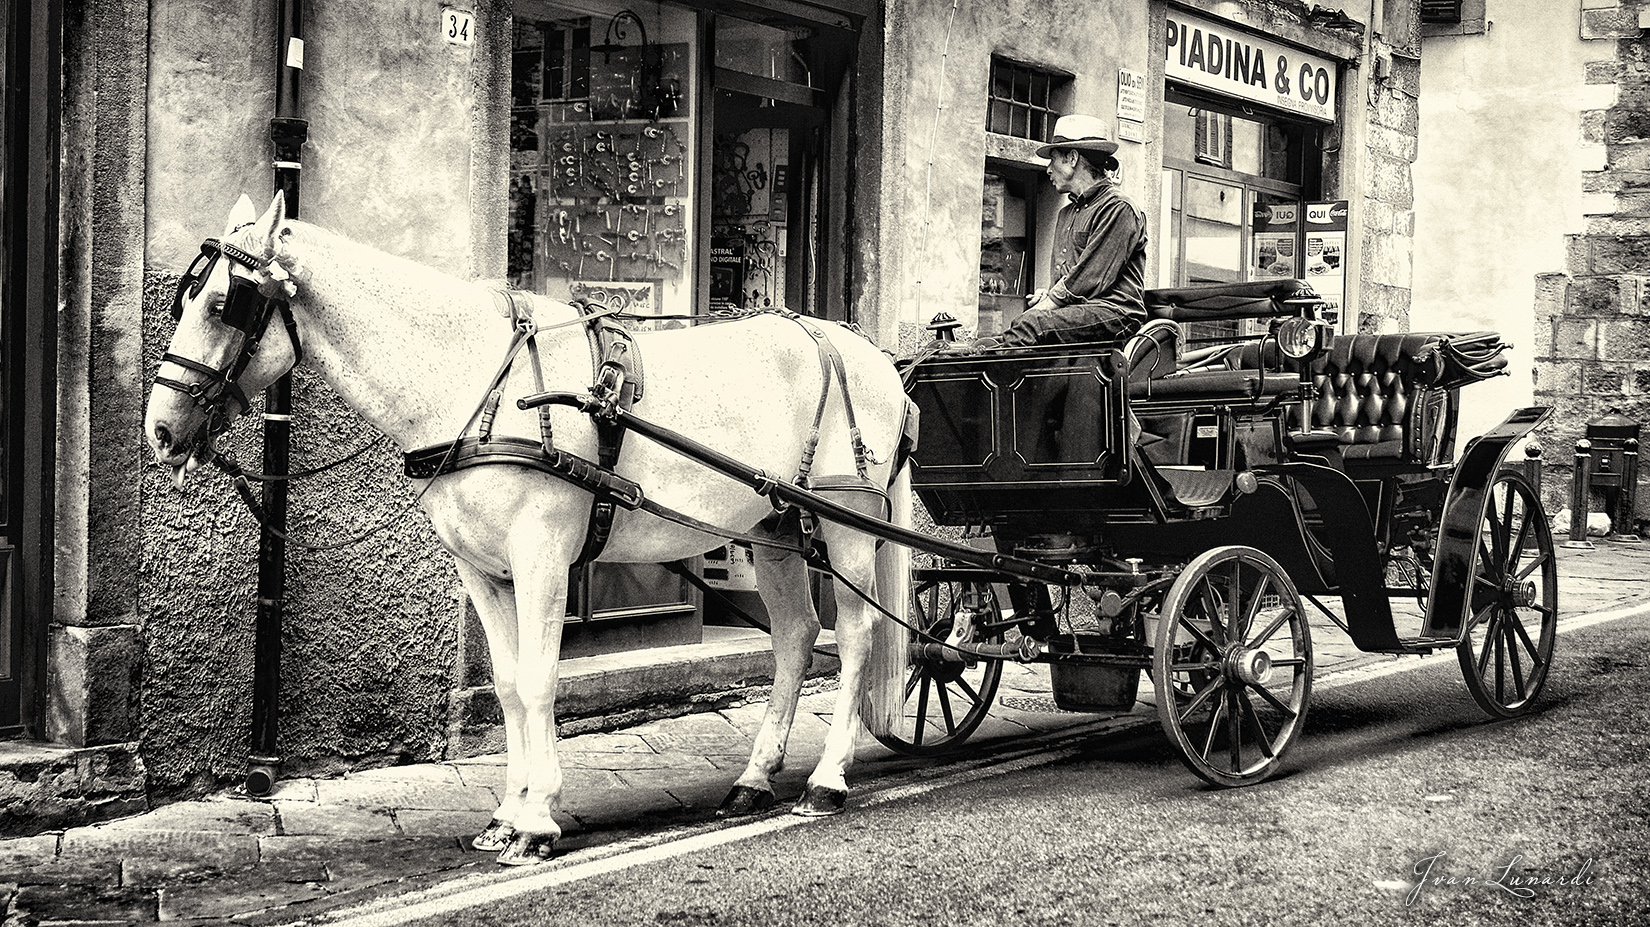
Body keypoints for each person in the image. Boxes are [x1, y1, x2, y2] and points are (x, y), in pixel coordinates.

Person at [991, 114, 1148, 348]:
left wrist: (1050, 303)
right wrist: (1051, 295)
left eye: (1053, 160)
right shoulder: (1066, 213)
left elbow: (1089, 279)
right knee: (1004, 336)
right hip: (1081, 311)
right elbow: (1070, 281)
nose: (1048, 170)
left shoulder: (1118, 208)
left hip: (1116, 316)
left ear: (1072, 158)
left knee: (1031, 325)